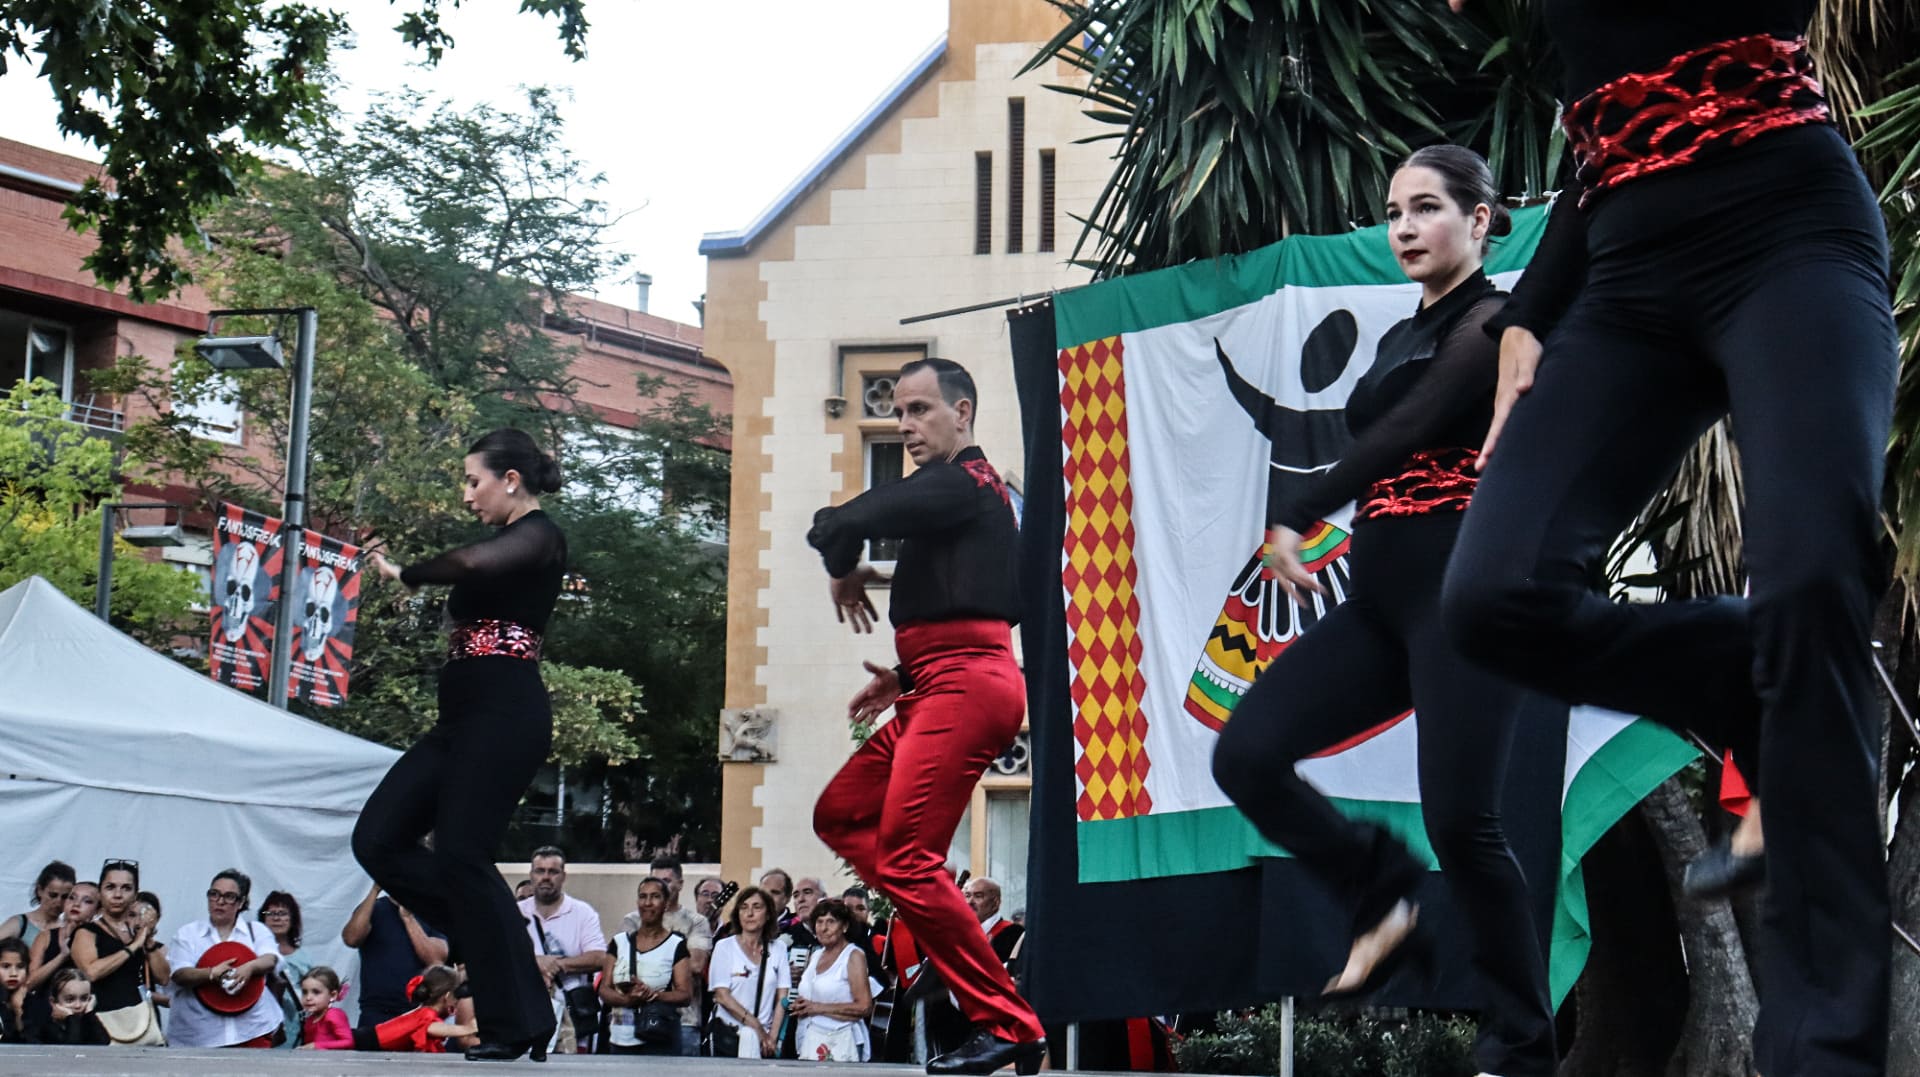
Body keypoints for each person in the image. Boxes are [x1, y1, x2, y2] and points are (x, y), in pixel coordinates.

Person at [1436, 3, 1896, 1073]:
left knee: (1816, 585)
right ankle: (1749, 674)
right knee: (1491, 599)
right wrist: (1524, 318)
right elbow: (1615, 120)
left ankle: (1824, 1054)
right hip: (1627, 275)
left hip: (1793, 231)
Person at [1209, 145, 1554, 1076]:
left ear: (1480, 221)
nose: (1402, 226)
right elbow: (1388, 436)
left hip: (1463, 592)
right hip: (1379, 597)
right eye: (1394, 210)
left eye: (1427, 208)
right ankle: (1382, 889)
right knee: (1244, 753)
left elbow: (1406, 430)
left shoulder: (1495, 322)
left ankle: (1523, 1042)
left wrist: (1297, 509)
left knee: (1463, 822)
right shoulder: (1402, 333)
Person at [808, 356, 1047, 1076]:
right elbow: (962, 586)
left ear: (963, 412)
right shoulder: (962, 498)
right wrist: (907, 672)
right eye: (899, 412)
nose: (905, 426)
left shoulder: (959, 483)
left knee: (907, 860)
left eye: (920, 410)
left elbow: (835, 521)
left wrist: (842, 563)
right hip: (938, 681)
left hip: (968, 684)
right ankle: (949, 929)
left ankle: (1007, 1020)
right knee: (842, 814)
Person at [358, 427, 569, 1063]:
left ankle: (512, 1019)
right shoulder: (507, 539)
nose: (467, 493)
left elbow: (472, 564)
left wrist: (408, 573)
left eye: (474, 481)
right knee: (377, 838)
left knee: (461, 855)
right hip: (461, 720)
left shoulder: (540, 534)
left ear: (511, 480)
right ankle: (497, 935)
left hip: (506, 717)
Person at [166, 868, 280, 1048]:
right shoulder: (188, 934)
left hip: (252, 1029)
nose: (219, 901)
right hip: (200, 1034)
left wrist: (249, 967)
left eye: (229, 896)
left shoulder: (256, 931)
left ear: (241, 902)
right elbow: (179, 974)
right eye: (214, 894)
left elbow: (270, 959)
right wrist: (211, 973)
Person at [517, 846, 606, 1053]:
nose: (546, 877)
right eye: (540, 871)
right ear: (531, 875)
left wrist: (557, 965)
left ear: (563, 876)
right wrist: (535, 963)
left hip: (572, 1016)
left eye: (553, 872)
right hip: (526, 1014)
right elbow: (499, 956)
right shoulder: (516, 912)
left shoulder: (582, 913)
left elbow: (599, 957)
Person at [618, 858, 711, 1055]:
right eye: (654, 880)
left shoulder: (696, 922)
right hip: (636, 1016)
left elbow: (695, 964)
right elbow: (623, 967)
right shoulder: (632, 920)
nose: (660, 887)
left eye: (667, 881)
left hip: (684, 1019)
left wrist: (646, 964)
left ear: (680, 884)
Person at [74, 860, 169, 1047]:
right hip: (102, 1021)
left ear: (135, 894)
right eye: (110, 887)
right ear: (100, 891)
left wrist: (147, 939)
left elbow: (164, 977)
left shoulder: (138, 932)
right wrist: (132, 947)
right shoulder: (87, 932)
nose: (118, 895)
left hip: (141, 1019)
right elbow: (91, 972)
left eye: (126, 888)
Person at [600, 877, 692, 1056]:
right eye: (643, 897)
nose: (648, 903)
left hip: (658, 1036)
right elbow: (604, 989)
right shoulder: (619, 942)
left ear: (666, 904)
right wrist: (627, 1000)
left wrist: (653, 995)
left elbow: (685, 994)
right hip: (620, 1038)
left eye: (655, 896)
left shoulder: (676, 944)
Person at [340, 884, 448, 1029]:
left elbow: (436, 959)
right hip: (375, 1012)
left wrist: (408, 918)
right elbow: (351, 939)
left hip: (417, 1012)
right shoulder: (375, 908)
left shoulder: (430, 911)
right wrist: (374, 890)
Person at [706, 886, 790, 1058]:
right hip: (730, 1034)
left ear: (768, 915)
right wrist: (756, 1027)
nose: (749, 913)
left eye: (757, 907)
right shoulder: (725, 947)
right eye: (744, 907)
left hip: (764, 1039)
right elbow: (722, 995)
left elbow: (782, 997)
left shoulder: (778, 949)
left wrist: (771, 1038)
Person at [792, 899, 875, 1062]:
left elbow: (864, 1007)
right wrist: (801, 1005)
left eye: (831, 922)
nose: (824, 928)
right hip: (810, 1038)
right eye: (819, 922)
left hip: (841, 1041)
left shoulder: (853, 956)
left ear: (844, 926)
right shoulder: (816, 955)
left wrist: (816, 1007)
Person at [22, 881, 97, 1031]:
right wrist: (61, 956)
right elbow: (29, 983)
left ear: (98, 910)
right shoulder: (47, 936)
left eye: (87, 901)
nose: (76, 904)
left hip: (85, 1016)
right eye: (72, 898)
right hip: (46, 1015)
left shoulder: (98, 938)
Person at [355, 965, 475, 1053]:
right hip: (366, 1040)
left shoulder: (425, 1012)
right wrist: (468, 1029)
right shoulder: (426, 1014)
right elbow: (433, 1028)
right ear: (447, 996)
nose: (457, 1001)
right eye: (456, 996)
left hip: (370, 1040)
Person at [256, 891, 311, 1049]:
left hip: (295, 1030)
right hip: (262, 1027)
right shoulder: (252, 954)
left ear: (292, 919)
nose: (276, 918)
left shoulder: (304, 958)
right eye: (270, 913)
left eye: (283, 913)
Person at [0, 862, 74, 948]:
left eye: (65, 897)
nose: (58, 901)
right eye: (53, 895)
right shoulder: (20, 923)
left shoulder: (67, 930)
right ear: (39, 890)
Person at [33, 969, 108, 1046]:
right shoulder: (44, 1026)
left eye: (84, 998)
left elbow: (103, 1043)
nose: (78, 1005)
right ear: (53, 1001)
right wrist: (71, 1017)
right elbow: (71, 1049)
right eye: (70, 1000)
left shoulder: (88, 1020)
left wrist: (89, 1012)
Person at [294, 967, 353, 1050]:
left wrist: (316, 1046)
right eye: (304, 992)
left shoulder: (333, 1015)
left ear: (333, 995)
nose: (308, 998)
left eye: (316, 992)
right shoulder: (310, 1019)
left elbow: (348, 1042)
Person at [0, 938, 30, 1042]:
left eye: (20, 967)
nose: (13, 973)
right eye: (6, 966)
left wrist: (18, 1011)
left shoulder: (35, 1002)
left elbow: (34, 1047)